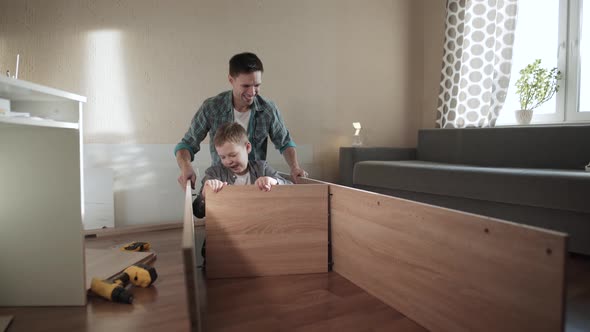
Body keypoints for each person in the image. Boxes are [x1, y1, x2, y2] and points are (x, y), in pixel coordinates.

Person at [175, 52, 307, 189]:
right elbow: (186, 145)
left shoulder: (268, 109)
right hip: (221, 185)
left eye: (257, 85)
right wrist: (186, 167)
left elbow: (285, 142)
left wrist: (295, 167)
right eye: (245, 86)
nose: (252, 92)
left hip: (258, 187)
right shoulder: (212, 107)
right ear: (231, 80)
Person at [193, 122, 291, 218]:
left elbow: (291, 187)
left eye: (233, 155)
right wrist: (204, 195)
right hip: (229, 227)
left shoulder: (262, 168)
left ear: (248, 147)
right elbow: (198, 212)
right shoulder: (213, 173)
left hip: (260, 224)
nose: (228, 161)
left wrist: (274, 181)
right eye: (222, 157)